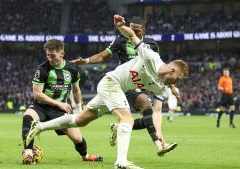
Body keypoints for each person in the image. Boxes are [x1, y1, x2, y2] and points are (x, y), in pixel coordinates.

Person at [26, 15, 189, 169]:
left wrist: (158, 130)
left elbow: (157, 110)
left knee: (80, 120)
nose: (176, 82)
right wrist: (121, 26)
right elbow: (132, 35)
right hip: (111, 83)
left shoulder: (161, 85)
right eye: (177, 79)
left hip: (118, 89)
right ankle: (121, 161)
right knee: (127, 118)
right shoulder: (151, 57)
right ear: (172, 70)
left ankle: (39, 127)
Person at [70, 16, 180, 156]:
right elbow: (102, 56)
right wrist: (85, 61)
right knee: (147, 106)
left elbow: (161, 69)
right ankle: (159, 145)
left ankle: (119, 127)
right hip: (123, 82)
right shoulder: (120, 40)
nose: (133, 32)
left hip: (140, 82)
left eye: (137, 30)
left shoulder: (151, 44)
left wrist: (172, 87)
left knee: (83, 119)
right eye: (131, 29)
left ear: (144, 30)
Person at [21, 39, 103, 164]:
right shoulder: (42, 69)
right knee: (28, 117)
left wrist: (79, 108)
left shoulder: (72, 70)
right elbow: (37, 94)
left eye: (52, 55)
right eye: (47, 55)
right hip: (41, 107)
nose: (49, 58)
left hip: (59, 111)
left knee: (77, 138)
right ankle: (28, 154)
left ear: (62, 54)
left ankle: (85, 156)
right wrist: (59, 103)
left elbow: (76, 90)